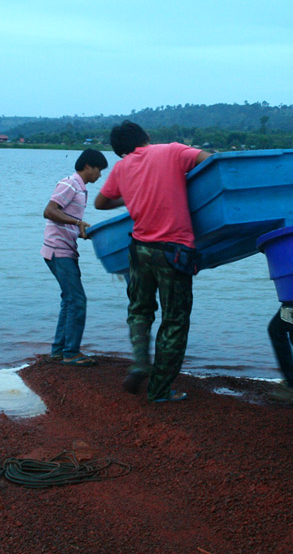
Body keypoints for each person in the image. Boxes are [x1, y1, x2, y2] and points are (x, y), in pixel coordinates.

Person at [94, 121, 210, 403]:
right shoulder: (171, 151)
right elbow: (211, 161)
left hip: (140, 250)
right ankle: (159, 389)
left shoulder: (121, 168)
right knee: (175, 320)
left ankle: (138, 362)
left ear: (119, 150)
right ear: (146, 136)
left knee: (139, 311)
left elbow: (99, 203)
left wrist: (131, 197)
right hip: (174, 251)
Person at [41, 148, 108, 366]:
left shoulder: (80, 188)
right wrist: (78, 223)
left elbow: (64, 217)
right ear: (88, 166)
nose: (99, 175)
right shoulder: (70, 184)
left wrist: (80, 231)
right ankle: (71, 353)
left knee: (69, 300)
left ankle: (59, 350)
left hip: (64, 248)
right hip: (58, 250)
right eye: (99, 170)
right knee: (77, 300)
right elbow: (49, 211)